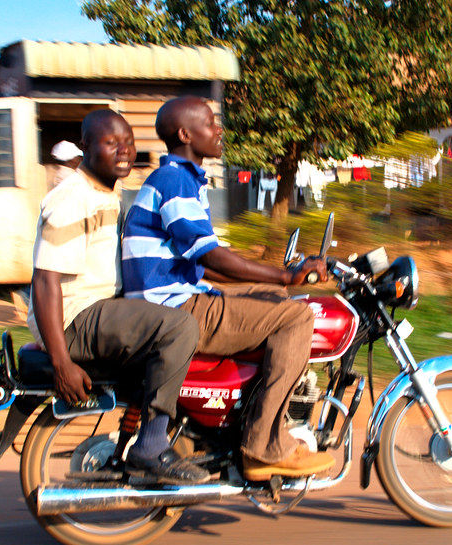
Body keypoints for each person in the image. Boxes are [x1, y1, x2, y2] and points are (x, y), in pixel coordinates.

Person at [121, 95, 334, 482]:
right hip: (174, 308)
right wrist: (284, 276)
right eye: (209, 123)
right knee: (298, 316)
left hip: (175, 296)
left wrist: (276, 279)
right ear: (185, 134)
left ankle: (240, 415)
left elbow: (201, 261)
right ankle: (266, 445)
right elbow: (213, 257)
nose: (219, 130)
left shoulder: (182, 180)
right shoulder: (176, 181)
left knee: (276, 299)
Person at [28, 109, 208, 484]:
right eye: (112, 143)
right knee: (178, 327)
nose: (123, 151)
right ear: (86, 147)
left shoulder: (109, 192)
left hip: (102, 311)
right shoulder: (72, 199)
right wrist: (62, 363)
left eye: (128, 143)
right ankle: (151, 448)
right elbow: (45, 282)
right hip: (76, 318)